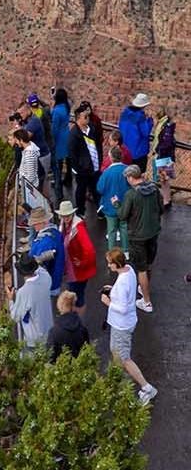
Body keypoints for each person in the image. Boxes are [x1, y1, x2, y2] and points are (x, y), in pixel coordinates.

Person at [101, 248, 157, 404]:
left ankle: (147, 388)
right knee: (115, 351)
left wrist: (109, 303)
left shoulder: (122, 283)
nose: (108, 266)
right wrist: (112, 291)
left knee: (125, 358)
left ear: (116, 263)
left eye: (110, 263)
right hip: (124, 323)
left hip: (122, 325)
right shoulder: (129, 271)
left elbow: (123, 308)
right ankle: (119, 382)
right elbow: (126, 296)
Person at [120, 165, 161, 313]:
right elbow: (161, 208)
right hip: (153, 232)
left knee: (141, 269)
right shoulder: (154, 189)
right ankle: (144, 289)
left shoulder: (131, 195)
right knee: (149, 264)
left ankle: (147, 302)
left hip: (137, 236)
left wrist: (117, 204)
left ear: (131, 178)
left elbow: (123, 216)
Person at [57, 200, 97, 308]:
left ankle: (77, 319)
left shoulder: (79, 228)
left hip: (78, 272)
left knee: (77, 297)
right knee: (75, 295)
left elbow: (90, 250)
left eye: (67, 215)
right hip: (72, 269)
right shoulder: (64, 224)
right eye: (63, 215)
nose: (65, 218)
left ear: (72, 214)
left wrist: (82, 263)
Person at [10, 253, 54, 349]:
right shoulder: (46, 277)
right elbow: (40, 270)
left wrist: (10, 300)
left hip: (35, 340)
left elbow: (15, 317)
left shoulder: (23, 292)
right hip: (49, 331)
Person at [68, 104, 100, 216]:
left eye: (88, 116)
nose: (87, 118)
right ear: (78, 119)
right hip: (83, 170)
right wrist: (78, 169)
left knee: (96, 190)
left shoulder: (92, 128)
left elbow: (98, 145)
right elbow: (72, 154)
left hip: (95, 166)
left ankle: (100, 211)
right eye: (85, 117)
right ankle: (80, 211)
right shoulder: (74, 134)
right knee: (81, 191)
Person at [28, 206, 66, 299]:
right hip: (55, 277)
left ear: (43, 222)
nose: (33, 226)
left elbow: (38, 265)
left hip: (48, 283)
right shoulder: (54, 232)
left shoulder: (46, 242)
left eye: (36, 223)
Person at [11, 128, 49, 215]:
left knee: (33, 209)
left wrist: (24, 186)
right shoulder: (30, 148)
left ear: (21, 140)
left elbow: (30, 175)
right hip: (31, 186)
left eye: (17, 140)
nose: (16, 143)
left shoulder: (29, 154)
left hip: (30, 188)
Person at [98, 158, 133, 252]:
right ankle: (126, 251)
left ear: (111, 157)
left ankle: (112, 254)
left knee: (111, 231)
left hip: (110, 207)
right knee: (124, 228)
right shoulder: (127, 170)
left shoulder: (107, 172)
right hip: (125, 206)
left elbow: (99, 188)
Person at [47, 290, 90, 360]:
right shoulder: (82, 329)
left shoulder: (54, 332)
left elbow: (50, 357)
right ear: (73, 306)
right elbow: (87, 352)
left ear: (59, 306)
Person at [119, 93, 154, 166]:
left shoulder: (124, 113)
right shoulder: (140, 116)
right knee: (137, 174)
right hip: (138, 152)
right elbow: (146, 132)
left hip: (125, 150)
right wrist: (150, 120)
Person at [50, 87, 71, 200]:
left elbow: (54, 128)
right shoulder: (67, 106)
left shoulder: (57, 111)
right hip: (67, 134)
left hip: (59, 140)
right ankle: (68, 180)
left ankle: (59, 192)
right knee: (67, 161)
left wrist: (51, 141)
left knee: (57, 167)